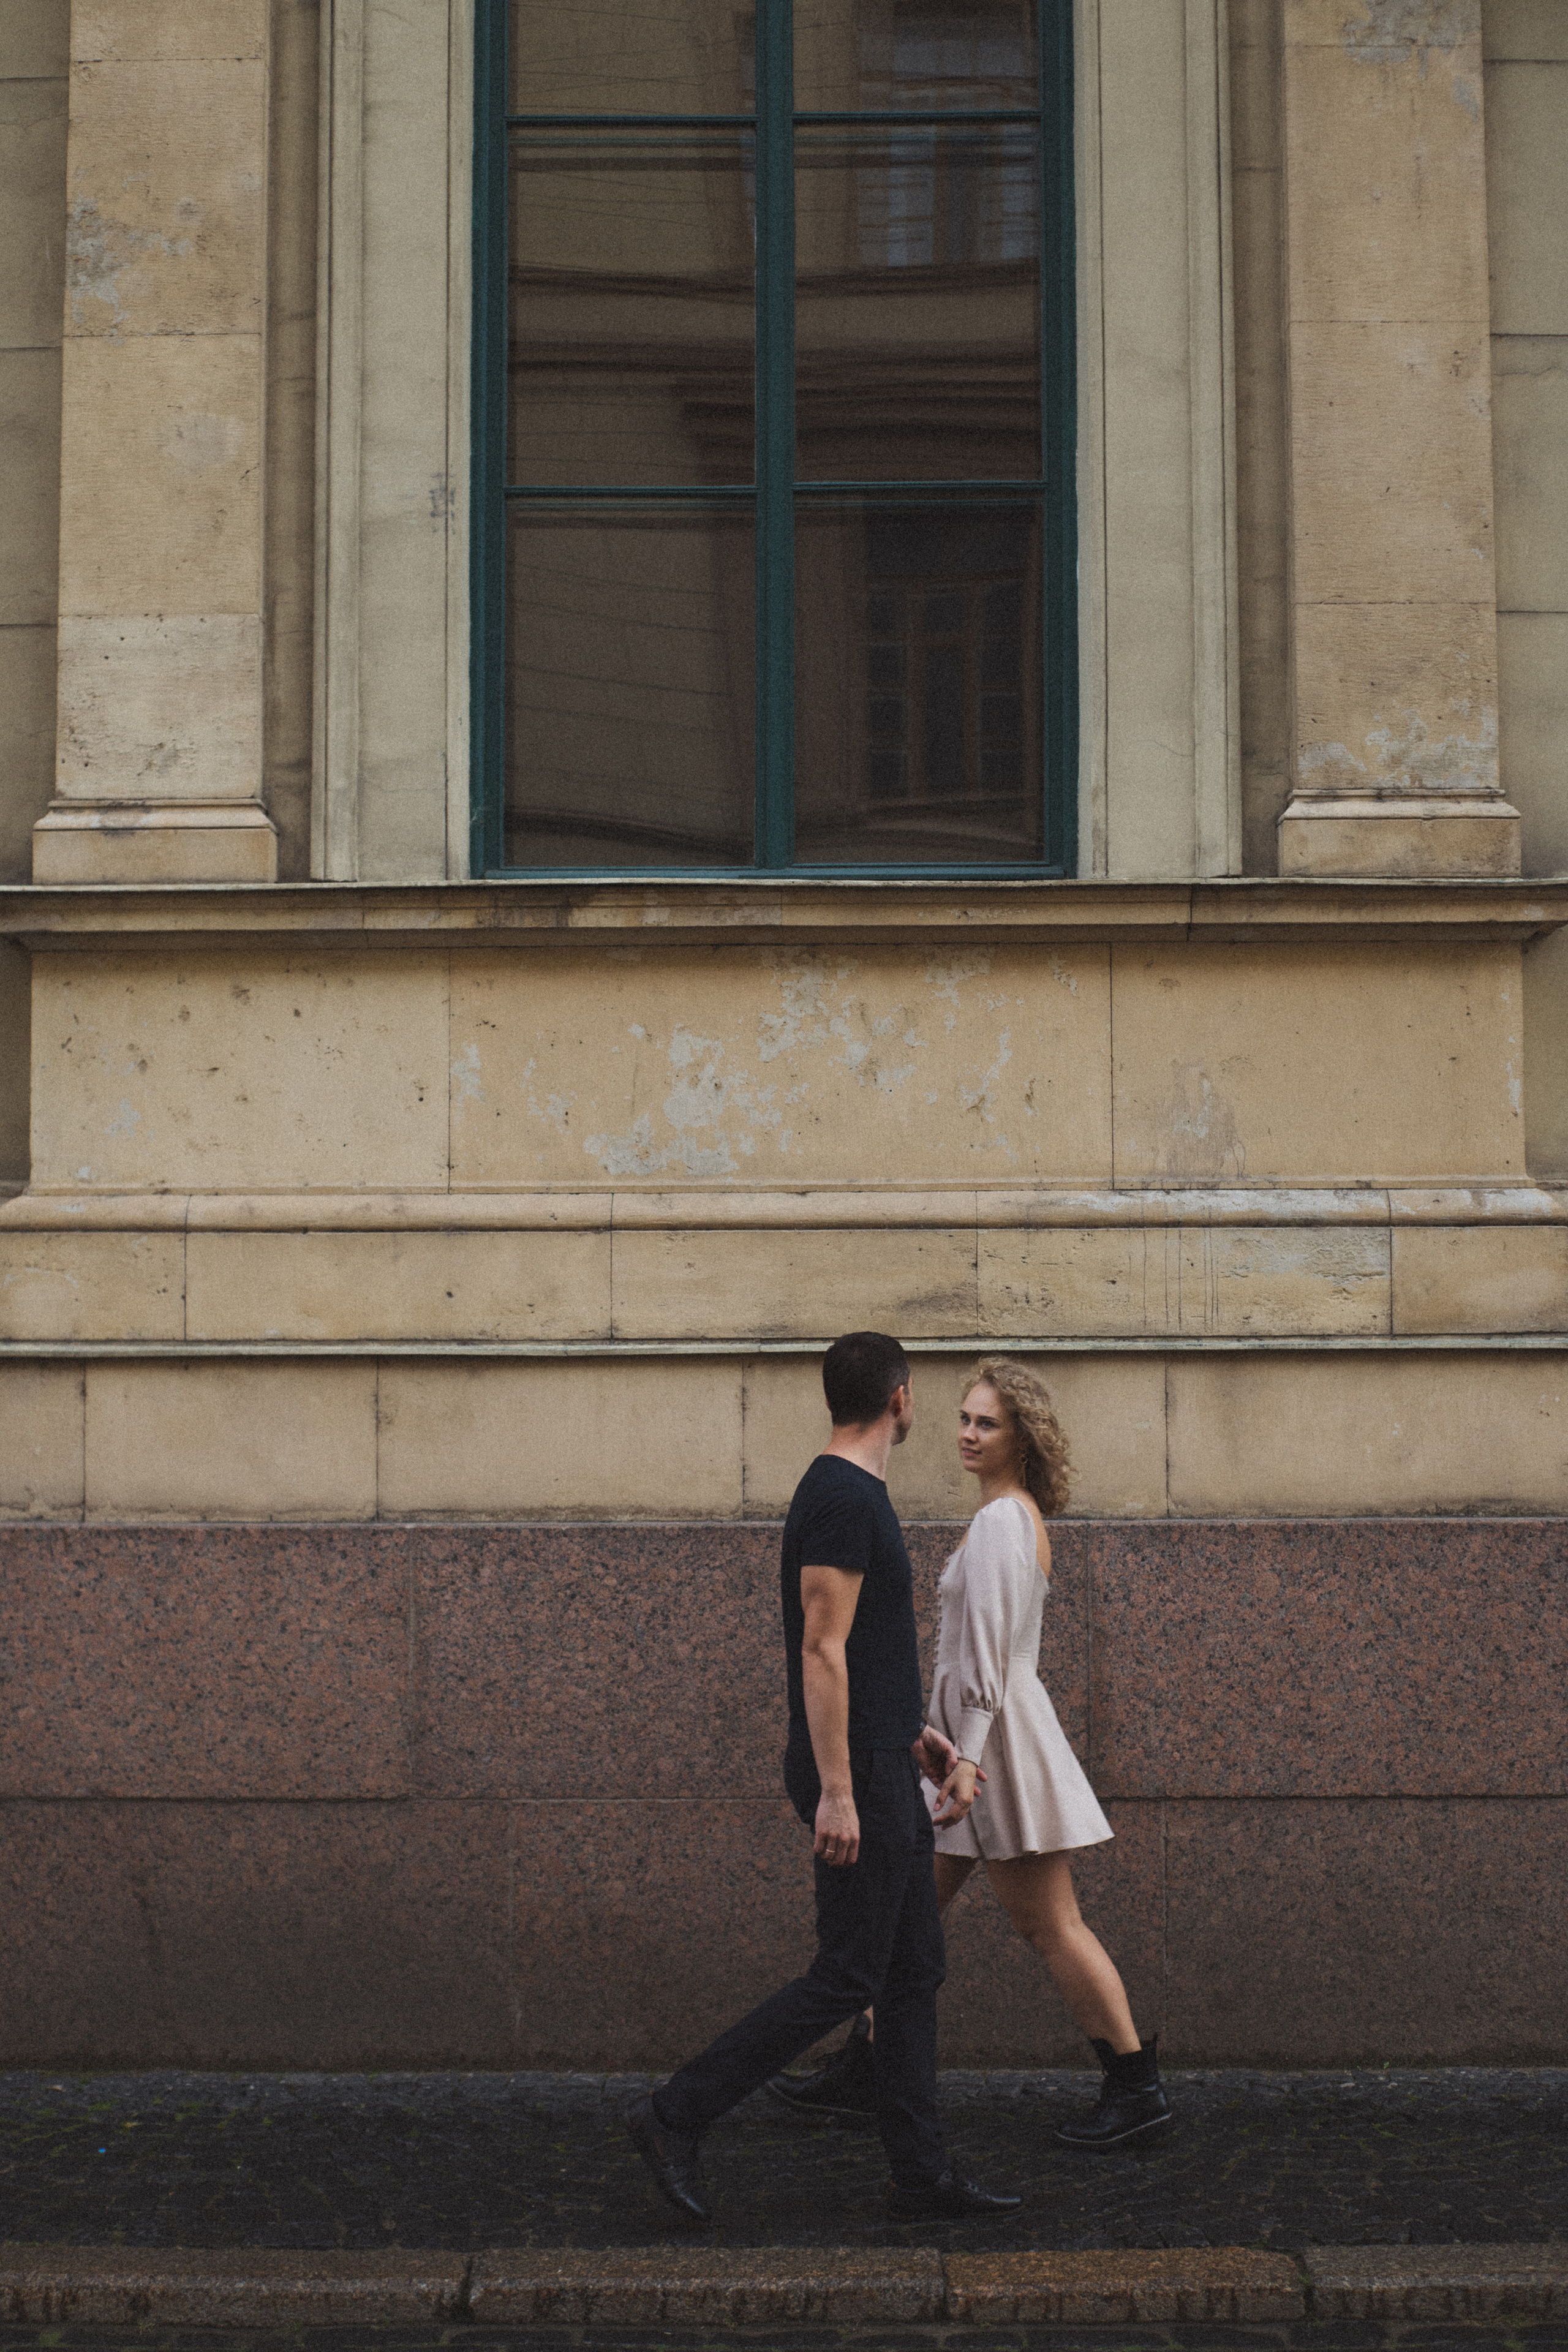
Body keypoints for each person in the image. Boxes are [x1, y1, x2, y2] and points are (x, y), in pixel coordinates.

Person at [624, 1331, 1022, 2226]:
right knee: (848, 1976)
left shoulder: (850, 1492)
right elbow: (821, 1645)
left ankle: (921, 2176)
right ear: (902, 1398)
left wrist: (915, 1736)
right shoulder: (845, 1496)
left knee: (913, 1969)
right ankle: (673, 2114)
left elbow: (863, 1653)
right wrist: (841, 1788)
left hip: (882, 1761)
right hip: (859, 1780)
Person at [769, 1358, 1170, 2151]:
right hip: (974, 1746)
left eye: (986, 1422)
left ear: (1020, 1436)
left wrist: (964, 1760)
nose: (966, 1433)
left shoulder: (1000, 1522)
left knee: (1049, 1923)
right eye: (962, 1417)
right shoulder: (1013, 1517)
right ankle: (868, 2067)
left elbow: (985, 1653)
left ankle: (1136, 2088)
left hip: (985, 1752)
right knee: (905, 1910)